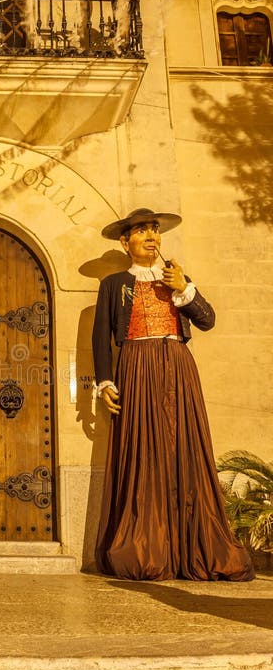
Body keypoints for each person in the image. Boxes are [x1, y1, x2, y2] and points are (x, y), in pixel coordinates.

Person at [92, 208, 254, 581]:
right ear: (125, 242)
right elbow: (101, 337)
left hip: (178, 367)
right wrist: (104, 382)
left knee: (185, 447)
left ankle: (193, 545)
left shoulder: (178, 279)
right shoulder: (114, 283)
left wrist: (183, 287)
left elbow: (207, 320)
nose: (151, 236)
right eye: (142, 231)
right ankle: (146, 545)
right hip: (135, 364)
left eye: (155, 230)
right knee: (143, 450)